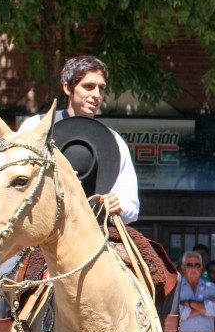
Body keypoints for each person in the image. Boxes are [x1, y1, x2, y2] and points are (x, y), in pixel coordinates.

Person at [19, 55, 139, 224]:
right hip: (37, 227)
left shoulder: (114, 141)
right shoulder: (34, 127)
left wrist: (119, 205)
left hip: (91, 230)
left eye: (101, 88)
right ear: (67, 88)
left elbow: (131, 204)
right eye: (88, 86)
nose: (97, 95)